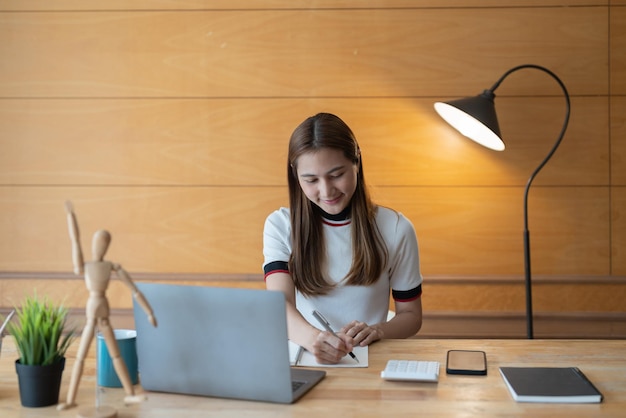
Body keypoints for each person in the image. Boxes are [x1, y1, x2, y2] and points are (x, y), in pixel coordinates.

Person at [263, 113, 423, 365]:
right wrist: (315, 339)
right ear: (296, 176)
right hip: (304, 357)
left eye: (336, 174)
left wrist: (380, 330)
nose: (326, 191)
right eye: (311, 180)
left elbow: (411, 315)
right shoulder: (280, 225)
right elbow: (278, 306)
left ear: (356, 161)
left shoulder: (396, 228)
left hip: (369, 359)